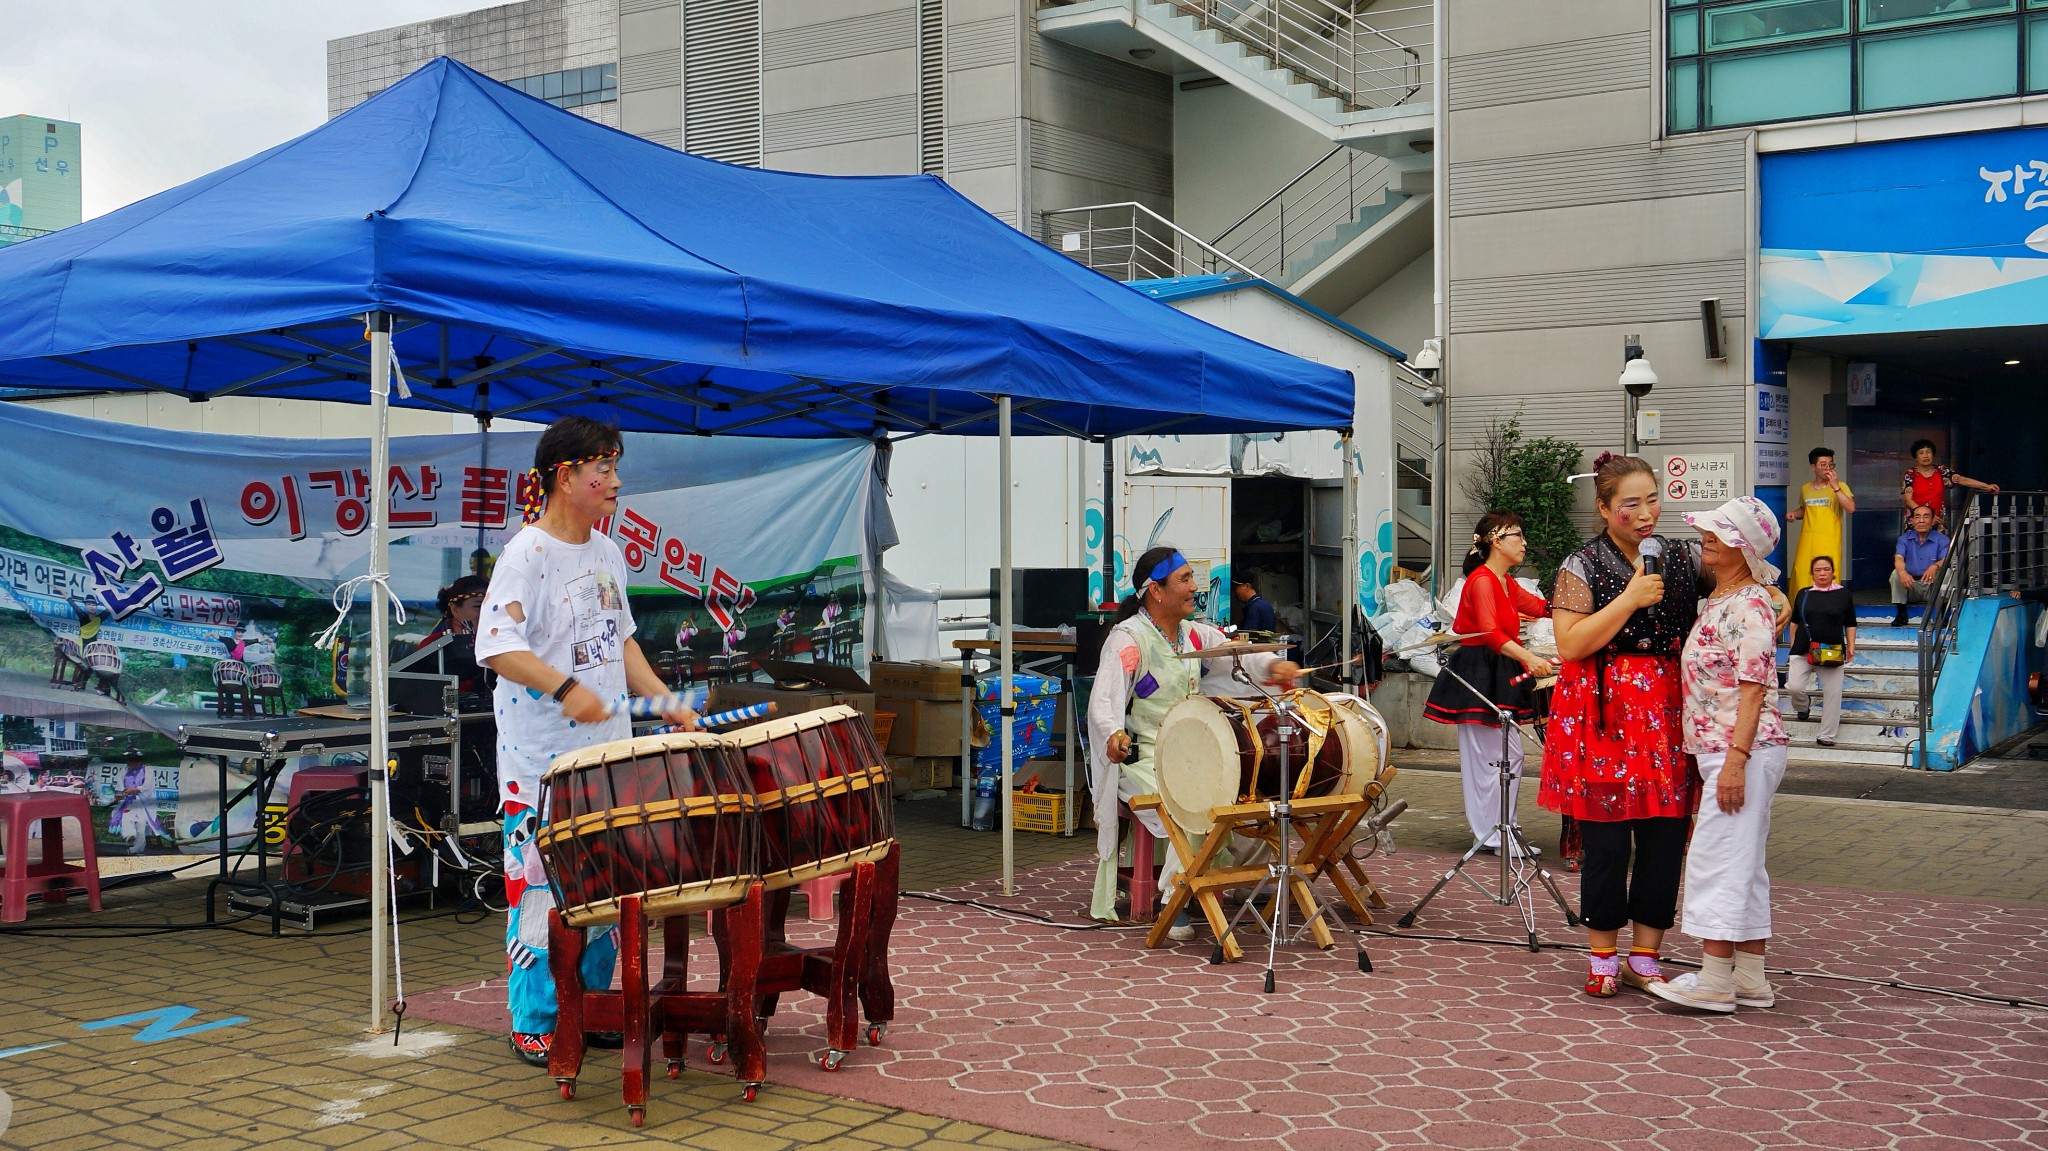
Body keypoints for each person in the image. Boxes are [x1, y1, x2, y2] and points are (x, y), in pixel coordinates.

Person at [475, 415, 701, 1068]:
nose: (616, 481)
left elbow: (622, 639)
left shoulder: (607, 550)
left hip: (609, 757)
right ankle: (536, 1018)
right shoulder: (527, 555)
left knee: (608, 886)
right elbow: (497, 645)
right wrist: (566, 686)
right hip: (541, 766)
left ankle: (595, 1005)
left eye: (616, 467)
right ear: (567, 475)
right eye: (605, 468)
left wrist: (662, 701)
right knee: (545, 891)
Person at [1540, 452, 1702, 1000]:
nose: (1645, 513)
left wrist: (1773, 594)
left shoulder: (1683, 556)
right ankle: (1603, 953)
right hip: (1603, 715)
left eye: (1652, 499)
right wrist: (1630, 599)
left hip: (1668, 712)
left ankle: (1646, 954)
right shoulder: (1582, 564)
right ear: (1606, 509)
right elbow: (1570, 644)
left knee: (1665, 837)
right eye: (1630, 503)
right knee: (1607, 843)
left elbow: (1744, 571)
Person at [1086, 545, 1301, 933]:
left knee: (1243, 792)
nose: (1193, 587)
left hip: (1193, 750)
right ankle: (1175, 899)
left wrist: (1272, 664)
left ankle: (1238, 880)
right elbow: (1105, 698)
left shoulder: (1193, 634)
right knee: (1195, 802)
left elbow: (1233, 655)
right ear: (1157, 591)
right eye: (1184, 579)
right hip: (1145, 757)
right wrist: (1112, 734)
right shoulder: (1129, 639)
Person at [1651, 495, 1789, 1013]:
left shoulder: (1749, 604)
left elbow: (1755, 687)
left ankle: (1715, 978)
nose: (1707, 540)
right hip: (1730, 748)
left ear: (1742, 549)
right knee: (1744, 861)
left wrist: (1735, 759)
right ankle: (1749, 976)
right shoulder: (1725, 598)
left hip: (1741, 749)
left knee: (1719, 859)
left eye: (1719, 534)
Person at [1423, 512, 1553, 856]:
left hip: (1496, 669)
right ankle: (1493, 832)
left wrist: (1580, 603)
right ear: (1496, 540)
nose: (1523, 543)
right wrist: (1529, 658)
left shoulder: (1506, 582)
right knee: (1491, 758)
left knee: (1506, 756)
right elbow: (1491, 633)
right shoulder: (1482, 581)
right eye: (1517, 536)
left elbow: (1542, 608)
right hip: (1479, 671)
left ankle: (1502, 828)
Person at [1784, 556, 1855, 748]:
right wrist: (1792, 645)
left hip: (1831, 650)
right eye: (1818, 570)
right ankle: (1802, 705)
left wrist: (1851, 645)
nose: (1822, 573)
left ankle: (1827, 735)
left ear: (1833, 572)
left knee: (1833, 693)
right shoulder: (1803, 593)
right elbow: (1794, 622)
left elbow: (1850, 623)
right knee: (1794, 686)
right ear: (1812, 573)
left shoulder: (1843, 595)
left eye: (1826, 569)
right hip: (1802, 649)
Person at [1785, 447, 1854, 596]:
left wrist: (1835, 487)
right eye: (1823, 465)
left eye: (1831, 464)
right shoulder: (1805, 488)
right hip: (1807, 539)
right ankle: (1801, 611)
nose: (1827, 468)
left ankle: (1827, 609)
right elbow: (1804, 509)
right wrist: (1794, 514)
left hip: (1829, 539)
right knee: (1802, 572)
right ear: (1813, 467)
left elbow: (1850, 508)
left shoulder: (1841, 486)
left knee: (1826, 574)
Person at [1901, 439, 1996, 528]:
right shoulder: (1910, 474)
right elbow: (1908, 500)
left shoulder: (1942, 471)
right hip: (1916, 522)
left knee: (1940, 545)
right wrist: (1926, 516)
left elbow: (1962, 480)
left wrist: (1986, 486)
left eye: (1928, 452)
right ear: (1916, 457)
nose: (1925, 455)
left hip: (1938, 520)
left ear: (1933, 454)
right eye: (1921, 453)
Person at [1891, 503, 1950, 627]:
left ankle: (1941, 613)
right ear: (1912, 520)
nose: (1921, 520)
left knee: (1947, 572)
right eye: (1917, 517)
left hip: (1932, 587)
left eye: (1926, 516)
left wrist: (1935, 566)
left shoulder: (1942, 539)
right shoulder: (1904, 539)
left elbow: (1946, 559)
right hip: (1911, 586)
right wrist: (1902, 572)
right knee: (1896, 573)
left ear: (1933, 520)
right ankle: (1901, 613)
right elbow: (1899, 557)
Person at [108, 748, 166, 855]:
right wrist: (120, 795)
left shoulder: (147, 770)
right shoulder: (124, 771)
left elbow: (148, 786)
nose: (130, 763)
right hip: (128, 802)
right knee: (126, 818)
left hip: (142, 803)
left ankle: (136, 850)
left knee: (141, 825)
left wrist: (134, 790)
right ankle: (129, 836)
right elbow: (120, 787)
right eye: (129, 760)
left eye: (132, 760)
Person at [418, 574, 488, 648]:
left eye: (489, 607)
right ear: (455, 609)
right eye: (478, 606)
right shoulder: (431, 646)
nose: (486, 612)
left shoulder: (496, 644)